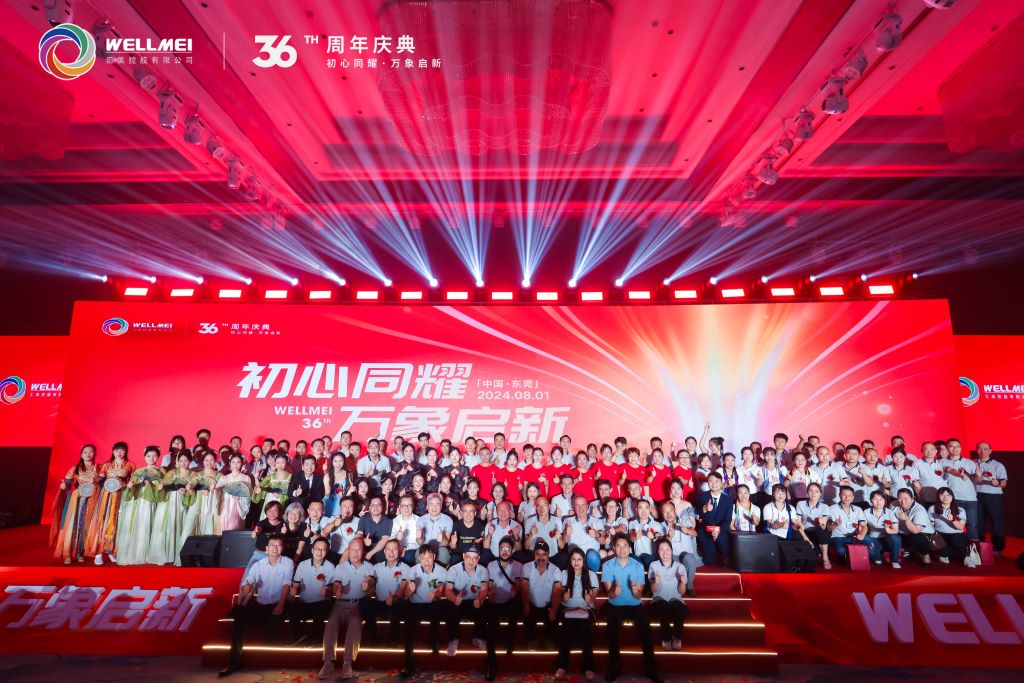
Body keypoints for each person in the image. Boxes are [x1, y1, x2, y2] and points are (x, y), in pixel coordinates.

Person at [220, 535, 294, 677]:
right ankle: (234, 662)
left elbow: (286, 584)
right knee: (239, 621)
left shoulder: (288, 563)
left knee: (274, 624)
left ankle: (269, 658)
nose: (274, 548)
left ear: (282, 548)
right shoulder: (258, 565)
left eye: (278, 545)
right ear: (266, 548)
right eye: (272, 545)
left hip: (279, 603)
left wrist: (280, 605)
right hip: (261, 604)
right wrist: (246, 587)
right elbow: (248, 582)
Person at [602, 533, 661, 683]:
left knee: (647, 630)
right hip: (615, 604)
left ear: (630, 548)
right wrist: (614, 592)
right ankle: (614, 668)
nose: (622, 549)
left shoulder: (638, 566)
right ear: (614, 548)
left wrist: (636, 591)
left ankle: (650, 670)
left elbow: (638, 595)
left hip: (634, 605)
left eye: (625, 546)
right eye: (619, 546)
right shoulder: (607, 565)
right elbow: (610, 594)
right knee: (611, 629)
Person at [320, 534, 374, 679]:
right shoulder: (340, 567)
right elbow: (336, 584)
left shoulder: (369, 567)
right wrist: (336, 589)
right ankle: (328, 662)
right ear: (348, 551)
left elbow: (371, 584)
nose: (356, 553)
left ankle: (347, 663)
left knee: (355, 622)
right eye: (353, 550)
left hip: (357, 605)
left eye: (359, 550)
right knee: (331, 622)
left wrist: (367, 585)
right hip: (340, 605)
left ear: (363, 551)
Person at [400, 544, 448, 678]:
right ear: (419, 559)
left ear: (434, 556)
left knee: (439, 607)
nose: (426, 561)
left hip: (432, 604)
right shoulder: (412, 570)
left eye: (429, 557)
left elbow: (441, 589)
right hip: (416, 604)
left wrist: (436, 594)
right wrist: (410, 589)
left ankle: (433, 641)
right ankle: (408, 662)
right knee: (408, 623)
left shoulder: (441, 571)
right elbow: (407, 594)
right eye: (423, 558)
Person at [51, 444, 102, 564]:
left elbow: (102, 483)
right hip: (77, 499)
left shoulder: (99, 468)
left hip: (92, 500)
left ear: (94, 454)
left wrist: (97, 483)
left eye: (91, 452)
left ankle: (81, 553)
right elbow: (67, 483)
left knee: (86, 525)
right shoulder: (74, 469)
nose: (88, 454)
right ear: (81, 454)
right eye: (85, 452)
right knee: (72, 525)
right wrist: (64, 486)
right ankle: (68, 553)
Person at [552, 546, 597, 681]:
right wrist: (563, 596)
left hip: (585, 611)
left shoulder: (591, 575)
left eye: (579, 559)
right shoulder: (564, 573)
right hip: (568, 611)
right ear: (570, 560)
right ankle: (561, 666)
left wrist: (590, 598)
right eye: (573, 559)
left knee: (586, 632)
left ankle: (588, 667)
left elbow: (594, 596)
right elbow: (559, 593)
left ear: (583, 561)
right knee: (566, 632)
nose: (576, 562)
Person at [86, 441, 135, 565]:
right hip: (107, 497)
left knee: (118, 522)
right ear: (113, 452)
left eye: (122, 450)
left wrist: (128, 484)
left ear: (126, 451)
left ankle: (112, 551)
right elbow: (101, 480)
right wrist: (95, 480)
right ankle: (99, 553)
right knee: (103, 521)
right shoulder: (106, 465)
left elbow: (134, 480)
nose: (119, 452)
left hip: (122, 496)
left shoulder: (130, 465)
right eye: (116, 450)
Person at [115, 446, 164, 566]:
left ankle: (148, 554)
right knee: (138, 524)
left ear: (158, 457)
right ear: (144, 457)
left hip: (152, 500)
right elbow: (131, 488)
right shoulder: (138, 471)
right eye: (148, 456)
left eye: (154, 456)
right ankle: (136, 552)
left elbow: (163, 488)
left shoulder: (161, 471)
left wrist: (155, 485)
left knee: (149, 523)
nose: (151, 458)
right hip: (138, 500)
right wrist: (131, 485)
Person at [484, 536, 523, 680]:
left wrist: (515, 591)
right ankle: (491, 663)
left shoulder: (518, 566)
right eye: (502, 549)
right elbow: (489, 585)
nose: (505, 552)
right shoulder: (491, 565)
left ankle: (509, 641)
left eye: (507, 549)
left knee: (517, 607)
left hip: (510, 601)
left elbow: (518, 585)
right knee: (491, 625)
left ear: (512, 550)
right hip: (494, 601)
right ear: (498, 550)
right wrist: (490, 593)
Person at [444, 543, 490, 656]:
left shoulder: (483, 570)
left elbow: (484, 589)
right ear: (463, 556)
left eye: (474, 558)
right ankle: (454, 639)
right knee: (448, 606)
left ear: (479, 558)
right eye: (468, 557)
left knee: (486, 606)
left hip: (474, 601)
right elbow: (447, 590)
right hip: (458, 601)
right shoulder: (453, 569)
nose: (471, 561)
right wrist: (455, 599)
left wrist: (480, 599)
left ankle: (478, 637)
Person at [148, 450, 193, 565]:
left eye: (186, 460)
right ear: (177, 461)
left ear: (190, 461)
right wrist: (162, 486)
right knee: (166, 525)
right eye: (181, 460)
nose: (183, 463)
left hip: (183, 501)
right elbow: (163, 485)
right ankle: (162, 555)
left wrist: (186, 491)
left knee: (179, 524)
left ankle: (177, 554)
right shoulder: (172, 472)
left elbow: (194, 490)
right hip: (169, 500)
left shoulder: (193, 474)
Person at [290, 537, 334, 646]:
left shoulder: (330, 567)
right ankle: (298, 636)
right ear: (312, 550)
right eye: (317, 548)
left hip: (322, 602)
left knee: (322, 609)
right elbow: (296, 584)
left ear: (327, 551)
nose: (320, 552)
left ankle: (314, 639)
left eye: (323, 549)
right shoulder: (302, 565)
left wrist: (327, 590)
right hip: (305, 602)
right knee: (292, 608)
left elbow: (332, 589)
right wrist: (294, 589)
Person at [363, 538, 407, 646]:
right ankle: (375, 636)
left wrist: (394, 597)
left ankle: (392, 638)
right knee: (365, 602)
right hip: (381, 603)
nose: (391, 552)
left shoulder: (406, 568)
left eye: (394, 549)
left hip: (396, 602)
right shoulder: (376, 567)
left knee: (400, 604)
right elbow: (371, 581)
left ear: (399, 551)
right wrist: (367, 584)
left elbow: (402, 588)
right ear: (384, 551)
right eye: (388, 549)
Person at [648, 537, 688, 651]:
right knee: (662, 606)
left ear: (671, 550)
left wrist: (682, 582)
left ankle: (677, 637)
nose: (665, 553)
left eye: (667, 549)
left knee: (680, 608)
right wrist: (656, 582)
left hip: (675, 600)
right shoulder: (653, 565)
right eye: (661, 550)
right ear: (657, 551)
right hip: (659, 600)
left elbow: (681, 592)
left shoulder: (680, 567)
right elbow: (654, 590)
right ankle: (666, 638)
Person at [521, 540, 560, 650]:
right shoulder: (527, 567)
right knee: (524, 609)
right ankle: (532, 639)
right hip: (531, 604)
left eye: (544, 554)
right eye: (538, 554)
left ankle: (549, 639)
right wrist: (526, 604)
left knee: (556, 611)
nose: (541, 557)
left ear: (548, 555)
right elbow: (524, 587)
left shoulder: (555, 570)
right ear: (534, 554)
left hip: (548, 605)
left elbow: (557, 592)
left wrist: (554, 609)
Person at [828, 485, 880, 562]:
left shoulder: (858, 509)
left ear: (853, 497)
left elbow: (864, 525)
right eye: (844, 495)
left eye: (849, 496)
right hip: (838, 537)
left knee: (871, 541)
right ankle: (847, 558)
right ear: (839, 495)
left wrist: (862, 535)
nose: (847, 498)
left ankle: (874, 556)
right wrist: (836, 524)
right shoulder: (832, 508)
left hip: (854, 536)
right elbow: (828, 528)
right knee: (841, 551)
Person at [659, 501, 700, 595]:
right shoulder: (660, 526)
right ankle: (677, 586)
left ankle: (689, 586)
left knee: (690, 558)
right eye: (665, 512)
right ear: (662, 514)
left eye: (670, 510)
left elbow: (695, 533)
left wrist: (686, 530)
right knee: (669, 561)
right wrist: (669, 537)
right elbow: (660, 544)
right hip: (672, 556)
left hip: (685, 555)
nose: (668, 514)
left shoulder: (684, 521)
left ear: (675, 511)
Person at [974, 441, 1007, 555]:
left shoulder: (998, 465)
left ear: (990, 451)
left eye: (985, 448)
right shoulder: (971, 463)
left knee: (996, 522)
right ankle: (980, 547)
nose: (982, 451)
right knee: (978, 522)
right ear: (976, 450)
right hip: (975, 495)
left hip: (993, 496)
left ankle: (998, 548)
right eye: (979, 448)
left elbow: (1004, 483)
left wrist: (997, 483)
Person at [942, 439, 979, 541]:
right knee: (953, 524)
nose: (955, 449)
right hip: (952, 499)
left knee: (972, 525)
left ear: (961, 448)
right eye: (951, 446)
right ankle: (957, 547)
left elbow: (977, 480)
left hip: (970, 498)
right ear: (947, 448)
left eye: (957, 446)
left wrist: (979, 476)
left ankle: (973, 548)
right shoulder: (941, 462)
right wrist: (959, 474)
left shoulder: (970, 462)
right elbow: (949, 470)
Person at [930, 486, 973, 567]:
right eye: (942, 495)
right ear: (938, 496)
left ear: (952, 497)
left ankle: (966, 557)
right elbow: (930, 525)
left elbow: (961, 527)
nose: (945, 497)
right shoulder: (932, 508)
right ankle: (948, 553)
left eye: (948, 495)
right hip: (941, 535)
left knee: (956, 539)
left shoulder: (960, 510)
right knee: (944, 553)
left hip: (956, 535)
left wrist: (953, 520)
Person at [696, 472, 731, 566]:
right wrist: (704, 508)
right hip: (706, 530)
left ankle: (725, 556)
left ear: (721, 483)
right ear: (708, 483)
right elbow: (696, 513)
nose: (714, 483)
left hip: (720, 530)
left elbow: (727, 520)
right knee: (709, 562)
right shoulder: (702, 496)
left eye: (717, 481)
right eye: (711, 481)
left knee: (724, 560)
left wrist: (718, 531)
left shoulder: (728, 500)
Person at [562, 495, 605, 571]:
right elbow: (564, 541)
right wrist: (567, 533)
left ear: (587, 506)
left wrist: (596, 534)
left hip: (591, 557)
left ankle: (591, 576)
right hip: (575, 556)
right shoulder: (567, 521)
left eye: (583, 505)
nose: (580, 508)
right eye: (577, 505)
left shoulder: (597, 521)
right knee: (573, 556)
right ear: (574, 507)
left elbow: (603, 541)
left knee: (592, 555)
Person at [795, 483, 832, 569]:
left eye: (816, 491)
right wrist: (806, 539)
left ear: (820, 494)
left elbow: (824, 527)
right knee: (813, 555)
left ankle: (825, 558)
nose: (813, 493)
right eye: (811, 491)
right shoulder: (800, 504)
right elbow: (798, 524)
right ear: (807, 492)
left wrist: (821, 522)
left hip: (819, 534)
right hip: (805, 533)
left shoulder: (825, 507)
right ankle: (817, 550)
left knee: (820, 529)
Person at [895, 489, 935, 565]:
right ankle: (908, 550)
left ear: (912, 499)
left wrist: (906, 519)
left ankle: (925, 554)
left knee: (915, 538)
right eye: (900, 498)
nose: (903, 501)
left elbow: (915, 530)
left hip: (923, 535)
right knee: (891, 536)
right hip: (904, 533)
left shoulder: (919, 510)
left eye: (906, 498)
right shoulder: (893, 505)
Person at [864, 490, 902, 568]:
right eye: (875, 499)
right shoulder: (866, 512)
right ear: (871, 501)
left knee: (896, 538)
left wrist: (889, 531)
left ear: (885, 501)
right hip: (873, 539)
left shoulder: (890, 512)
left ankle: (894, 561)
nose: (878, 502)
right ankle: (878, 556)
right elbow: (862, 526)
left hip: (887, 539)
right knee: (864, 538)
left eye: (881, 499)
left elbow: (896, 529)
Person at [216, 454, 252, 532]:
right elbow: (217, 492)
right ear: (230, 463)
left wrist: (240, 498)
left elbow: (249, 495)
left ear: (242, 463)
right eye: (233, 462)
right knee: (224, 527)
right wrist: (215, 489)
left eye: (238, 462)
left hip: (239, 506)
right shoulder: (224, 478)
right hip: (225, 505)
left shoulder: (246, 478)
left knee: (235, 527)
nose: (235, 464)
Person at [417, 492, 454, 566]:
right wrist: (419, 538)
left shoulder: (448, 520)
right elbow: (420, 542)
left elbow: (446, 543)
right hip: (426, 548)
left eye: (437, 504)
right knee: (419, 551)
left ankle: (439, 572)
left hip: (440, 548)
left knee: (443, 552)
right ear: (427, 506)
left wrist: (443, 537)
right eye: (431, 504)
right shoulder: (421, 520)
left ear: (441, 506)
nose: (434, 508)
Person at [356, 495, 393, 564]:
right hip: (365, 548)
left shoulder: (388, 521)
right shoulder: (363, 518)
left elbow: (385, 539)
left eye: (378, 505)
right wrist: (362, 540)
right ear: (369, 507)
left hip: (380, 551)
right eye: (373, 505)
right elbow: (359, 534)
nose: (375, 507)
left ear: (382, 507)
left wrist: (369, 554)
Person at [628, 499, 665, 567]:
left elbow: (659, 537)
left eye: (646, 508)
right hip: (637, 557)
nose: (644, 511)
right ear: (636, 510)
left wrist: (653, 537)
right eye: (641, 508)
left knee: (647, 558)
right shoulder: (632, 523)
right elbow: (631, 536)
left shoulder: (656, 524)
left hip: (651, 558)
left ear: (649, 509)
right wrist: (635, 536)